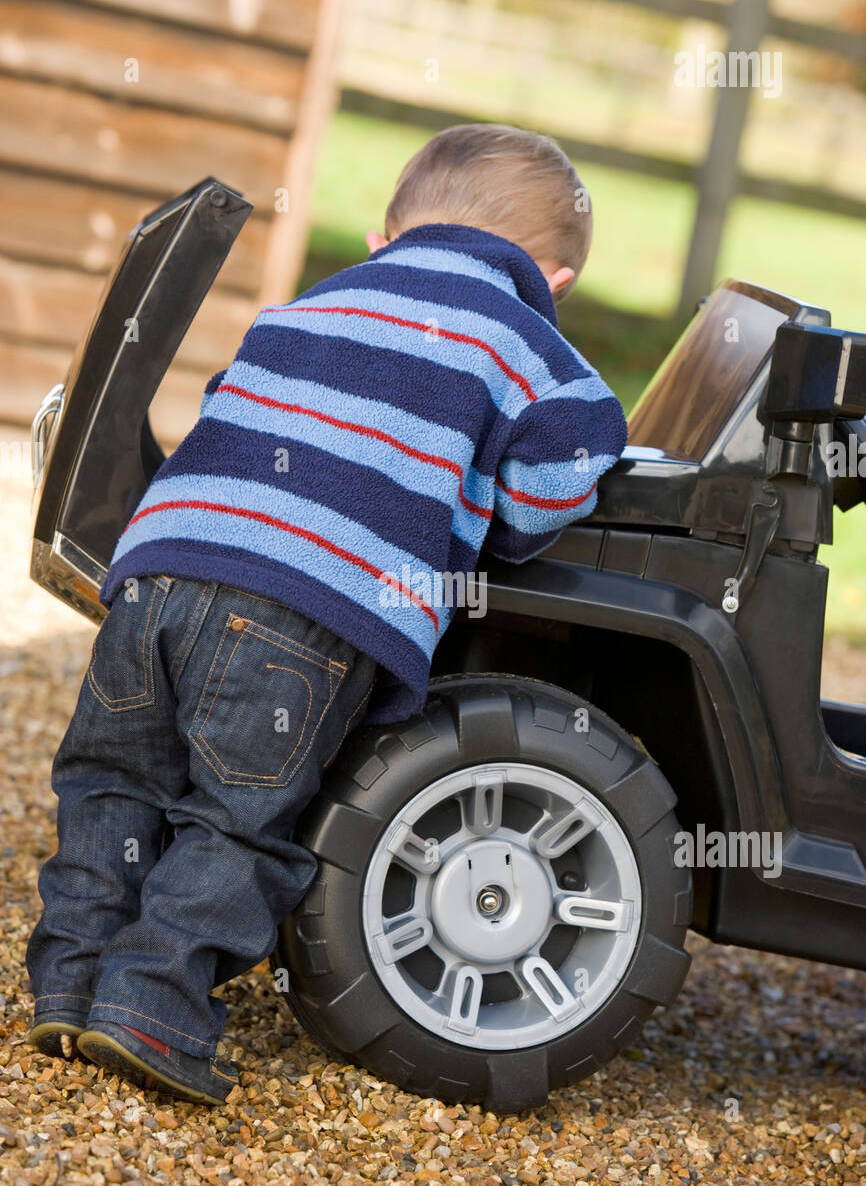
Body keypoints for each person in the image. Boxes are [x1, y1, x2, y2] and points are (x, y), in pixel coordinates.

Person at [26, 123, 628, 1103]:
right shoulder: (523, 337)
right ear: (552, 280)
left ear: (386, 235)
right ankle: (148, 1006)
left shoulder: (314, 299)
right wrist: (496, 525)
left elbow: (232, 400)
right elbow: (559, 480)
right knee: (241, 816)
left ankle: (66, 981)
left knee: (108, 781)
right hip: (302, 606)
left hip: (157, 565)